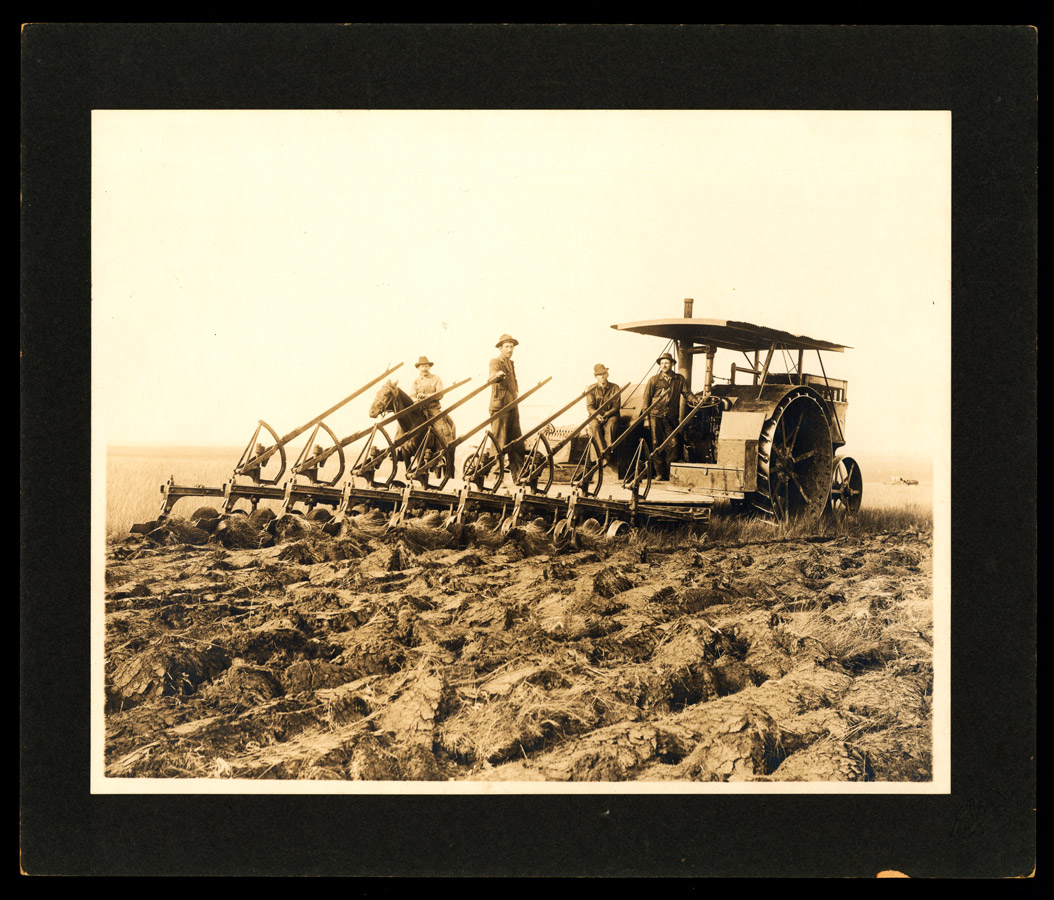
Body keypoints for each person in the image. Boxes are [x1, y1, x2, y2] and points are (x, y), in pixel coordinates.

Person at [642, 352, 688, 481]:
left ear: (672, 364)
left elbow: (687, 393)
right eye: (662, 363)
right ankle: (660, 473)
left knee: (674, 443)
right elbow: (646, 400)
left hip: (671, 417)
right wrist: (646, 419)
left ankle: (669, 472)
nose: (664, 365)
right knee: (656, 443)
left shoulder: (679, 379)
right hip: (655, 416)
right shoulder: (653, 380)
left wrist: (694, 400)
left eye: (666, 363)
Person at [488, 334, 525, 478]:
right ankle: (497, 475)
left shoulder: (511, 363)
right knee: (499, 441)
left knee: (516, 441)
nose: (510, 349)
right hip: (500, 407)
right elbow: (492, 375)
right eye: (507, 346)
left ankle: (519, 476)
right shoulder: (495, 362)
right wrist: (497, 375)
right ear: (500, 348)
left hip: (512, 405)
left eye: (512, 346)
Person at [586, 363, 621, 453]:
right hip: (595, 416)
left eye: (604, 374)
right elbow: (590, 407)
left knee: (611, 425)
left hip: (611, 415)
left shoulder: (615, 387)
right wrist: (598, 416)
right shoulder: (591, 388)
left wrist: (606, 414)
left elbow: (616, 406)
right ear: (596, 376)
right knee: (594, 426)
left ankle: (609, 451)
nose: (602, 376)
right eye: (599, 374)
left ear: (607, 374)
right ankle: (602, 453)